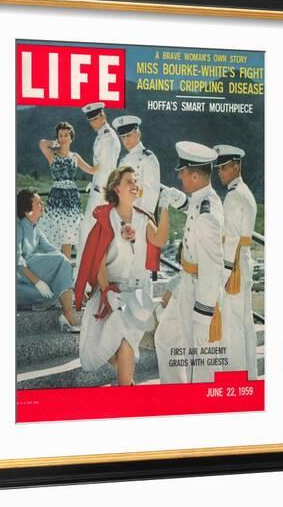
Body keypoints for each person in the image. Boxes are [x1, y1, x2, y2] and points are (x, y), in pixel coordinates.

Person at [75, 166, 169, 386]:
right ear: (116, 188)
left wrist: (164, 208)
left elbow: (159, 240)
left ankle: (125, 389)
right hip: (110, 290)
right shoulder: (106, 218)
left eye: (136, 181)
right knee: (100, 344)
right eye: (129, 181)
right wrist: (107, 291)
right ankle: (127, 385)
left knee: (126, 339)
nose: (135, 185)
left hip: (138, 291)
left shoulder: (144, 218)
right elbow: (98, 260)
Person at [155, 141, 224, 383]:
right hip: (186, 282)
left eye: (182, 174)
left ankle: (202, 409)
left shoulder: (209, 216)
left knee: (200, 359)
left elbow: (213, 269)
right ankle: (176, 398)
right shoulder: (201, 199)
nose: (180, 178)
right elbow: (193, 209)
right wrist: (179, 200)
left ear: (195, 175)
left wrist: (203, 314)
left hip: (198, 291)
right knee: (165, 338)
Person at [213, 144, 258, 380]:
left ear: (236, 167)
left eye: (224, 168)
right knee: (244, 322)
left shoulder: (233, 196)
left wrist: (224, 274)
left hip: (235, 266)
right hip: (245, 260)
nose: (220, 173)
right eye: (218, 169)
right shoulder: (245, 191)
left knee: (232, 325)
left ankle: (235, 377)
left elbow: (230, 240)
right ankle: (248, 376)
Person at [16, 189, 80, 333]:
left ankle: (67, 313)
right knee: (59, 260)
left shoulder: (35, 228)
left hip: (29, 273)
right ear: (27, 210)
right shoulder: (17, 227)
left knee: (62, 260)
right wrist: (37, 282)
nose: (42, 204)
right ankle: (68, 314)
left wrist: (69, 269)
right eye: (39, 203)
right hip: (20, 277)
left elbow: (52, 250)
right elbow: (16, 260)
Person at [38, 121, 96, 259]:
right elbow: (42, 143)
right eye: (61, 135)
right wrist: (56, 144)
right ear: (57, 138)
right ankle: (55, 269)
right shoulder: (53, 156)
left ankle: (66, 270)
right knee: (53, 235)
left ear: (71, 137)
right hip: (56, 199)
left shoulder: (75, 157)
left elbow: (92, 170)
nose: (63, 138)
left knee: (68, 237)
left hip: (71, 200)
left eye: (66, 135)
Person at [75, 102, 121, 268]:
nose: (94, 123)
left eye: (96, 118)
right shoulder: (103, 135)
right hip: (98, 190)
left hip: (101, 194)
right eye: (91, 120)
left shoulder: (107, 138)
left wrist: (101, 190)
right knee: (90, 234)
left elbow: (107, 170)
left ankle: (82, 279)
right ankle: (86, 278)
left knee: (86, 234)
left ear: (103, 116)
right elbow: (100, 168)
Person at [113, 115, 161, 215]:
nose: (126, 140)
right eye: (123, 137)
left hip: (140, 211)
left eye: (129, 135)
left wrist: (145, 217)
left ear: (138, 134)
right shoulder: (123, 160)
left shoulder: (148, 158)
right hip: (123, 212)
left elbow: (151, 192)